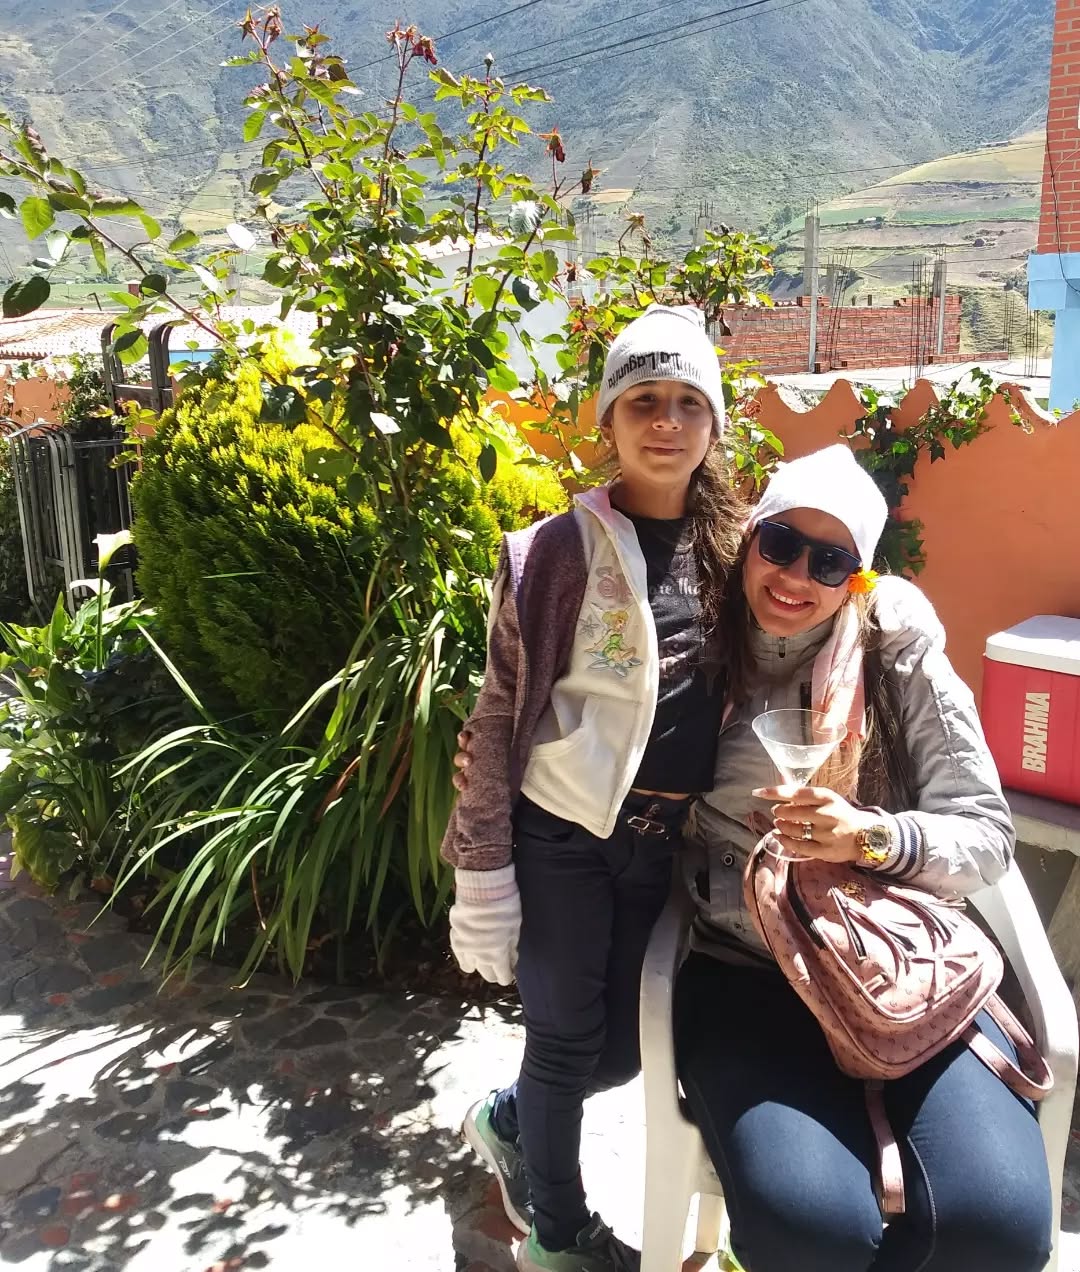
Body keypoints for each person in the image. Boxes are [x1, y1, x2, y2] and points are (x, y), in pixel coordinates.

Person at [677, 443, 1052, 1272]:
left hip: (896, 970)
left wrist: (871, 838)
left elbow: (986, 834)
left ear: (859, 577)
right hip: (746, 973)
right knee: (813, 1231)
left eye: (830, 561)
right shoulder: (693, 641)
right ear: (749, 537)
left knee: (999, 1225)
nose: (795, 577)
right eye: (780, 543)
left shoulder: (895, 650)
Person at [441, 303, 744, 1272]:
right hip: (563, 837)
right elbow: (500, 714)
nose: (667, 423)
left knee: (628, 1046)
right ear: (607, 419)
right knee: (567, 1041)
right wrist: (482, 867)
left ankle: (508, 1118)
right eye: (643, 401)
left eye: (688, 402)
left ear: (714, 421)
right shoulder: (553, 555)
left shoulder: (738, 549)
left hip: (663, 848)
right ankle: (559, 1235)